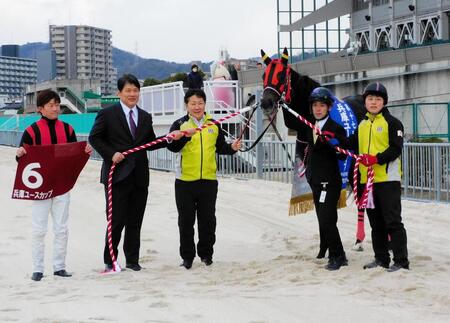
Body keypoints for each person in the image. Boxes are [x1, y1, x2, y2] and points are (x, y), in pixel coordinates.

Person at [89, 74, 184, 272]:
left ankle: (132, 260)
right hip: (116, 176)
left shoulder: (145, 116)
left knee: (135, 221)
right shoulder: (107, 114)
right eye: (128, 91)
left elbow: (149, 144)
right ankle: (110, 260)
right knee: (116, 221)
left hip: (139, 176)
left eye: (135, 91)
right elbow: (95, 138)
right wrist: (111, 154)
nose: (132, 94)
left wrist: (170, 138)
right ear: (119, 93)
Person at [16, 89, 93, 281]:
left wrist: (85, 151)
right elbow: (22, 160)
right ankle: (38, 269)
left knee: (61, 227)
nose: (55, 108)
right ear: (40, 109)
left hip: (61, 185)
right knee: (38, 228)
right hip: (40, 187)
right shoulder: (31, 131)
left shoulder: (68, 129)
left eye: (57, 105)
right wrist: (19, 154)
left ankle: (59, 267)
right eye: (51, 105)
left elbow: (74, 156)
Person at [167, 89, 241, 269]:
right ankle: (187, 257)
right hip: (184, 181)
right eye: (193, 103)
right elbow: (172, 147)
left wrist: (232, 147)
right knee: (185, 221)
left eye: (200, 103)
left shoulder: (214, 124)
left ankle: (206, 255)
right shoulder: (179, 124)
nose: (197, 107)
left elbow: (221, 147)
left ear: (205, 104)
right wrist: (185, 137)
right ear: (187, 105)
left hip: (208, 180)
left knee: (208, 220)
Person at [347, 82, 409, 272]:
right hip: (368, 182)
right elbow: (350, 143)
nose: (373, 102)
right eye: (370, 99)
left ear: (384, 102)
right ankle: (381, 258)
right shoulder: (363, 124)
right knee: (376, 223)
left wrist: (376, 159)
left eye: (378, 99)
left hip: (388, 181)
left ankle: (401, 261)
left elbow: (395, 149)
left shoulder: (393, 123)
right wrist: (330, 137)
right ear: (365, 101)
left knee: (393, 221)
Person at [305, 87, 348, 271]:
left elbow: (343, 156)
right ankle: (330, 250)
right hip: (315, 180)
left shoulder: (336, 129)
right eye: (315, 105)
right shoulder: (309, 127)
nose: (318, 109)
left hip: (330, 182)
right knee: (323, 219)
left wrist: (334, 144)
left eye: (322, 105)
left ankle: (339, 255)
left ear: (329, 107)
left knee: (327, 219)